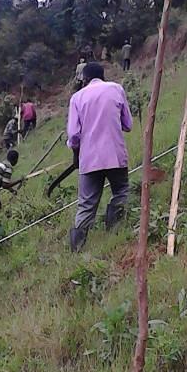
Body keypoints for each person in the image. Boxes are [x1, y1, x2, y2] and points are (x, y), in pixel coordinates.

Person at [67, 61, 133, 252]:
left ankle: (77, 248)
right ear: (103, 76)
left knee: (86, 204)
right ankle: (114, 230)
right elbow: (128, 125)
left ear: (85, 79)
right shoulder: (116, 89)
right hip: (115, 155)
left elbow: (73, 135)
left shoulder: (77, 98)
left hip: (89, 160)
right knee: (120, 192)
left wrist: (76, 156)